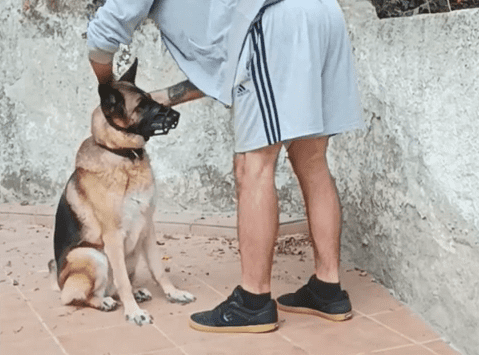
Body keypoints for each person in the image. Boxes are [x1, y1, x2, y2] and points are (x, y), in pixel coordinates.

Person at [87, 0, 365, 333]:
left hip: (272, 22)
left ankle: (254, 302)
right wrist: (159, 97)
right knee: (311, 159)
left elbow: (103, 36)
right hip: (321, 14)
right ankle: (327, 289)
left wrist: (109, 90)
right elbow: (228, 68)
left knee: (253, 166)